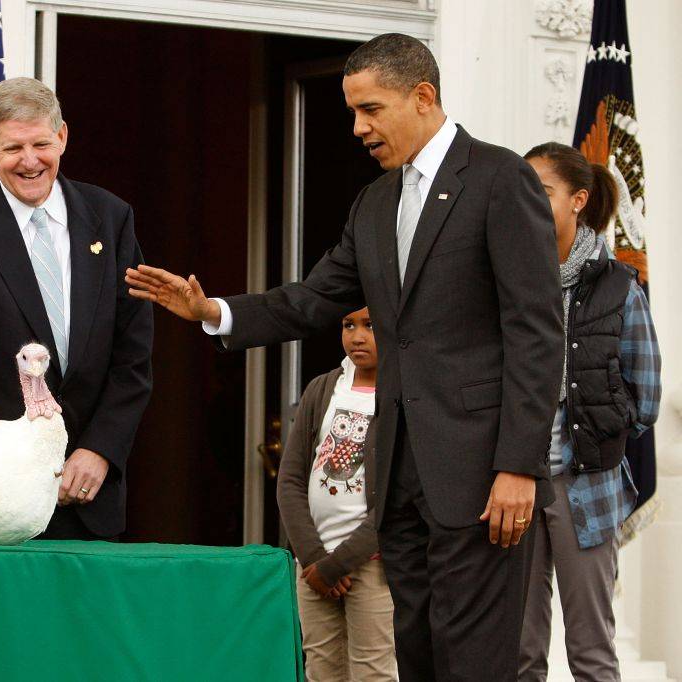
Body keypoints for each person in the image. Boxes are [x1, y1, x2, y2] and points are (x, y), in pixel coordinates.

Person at [126, 33, 564, 680]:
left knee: (473, 660)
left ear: (423, 96)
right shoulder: (375, 202)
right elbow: (312, 300)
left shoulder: (501, 180)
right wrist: (214, 312)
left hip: (479, 474)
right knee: (414, 654)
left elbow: (536, 329)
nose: (358, 128)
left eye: (371, 109)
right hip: (396, 477)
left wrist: (519, 465)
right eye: (353, 111)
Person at [0, 77, 153, 541]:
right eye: (14, 147)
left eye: (41, 143)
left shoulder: (111, 216)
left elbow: (133, 351)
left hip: (88, 491)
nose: (30, 160)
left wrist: (101, 449)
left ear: (62, 137)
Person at [518, 142, 661, 681]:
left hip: (588, 486)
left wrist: (593, 420)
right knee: (520, 650)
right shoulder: (508, 277)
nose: (529, 201)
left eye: (543, 190)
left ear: (578, 200)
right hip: (515, 485)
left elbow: (645, 395)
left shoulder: (619, 286)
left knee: (591, 651)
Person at [278, 307, 395, 681]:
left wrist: (338, 563)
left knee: (372, 672)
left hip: (371, 565)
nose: (357, 336)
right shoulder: (323, 388)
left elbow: (396, 498)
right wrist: (314, 558)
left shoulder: (402, 396)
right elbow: (290, 480)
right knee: (321, 671)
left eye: (370, 325)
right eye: (348, 325)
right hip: (313, 567)